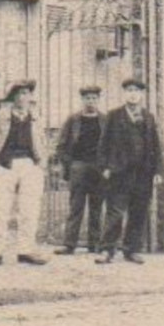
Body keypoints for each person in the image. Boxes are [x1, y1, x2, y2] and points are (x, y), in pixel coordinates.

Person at [95, 78, 164, 265]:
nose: (133, 94)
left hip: (143, 173)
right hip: (119, 172)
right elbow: (103, 143)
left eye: (136, 91)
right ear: (124, 94)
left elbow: (155, 145)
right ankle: (106, 249)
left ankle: (131, 250)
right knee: (115, 212)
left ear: (141, 95)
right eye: (129, 90)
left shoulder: (148, 117)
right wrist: (105, 167)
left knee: (138, 211)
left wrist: (158, 170)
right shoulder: (113, 115)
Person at [0, 80, 49, 267]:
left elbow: (43, 142)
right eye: (19, 94)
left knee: (29, 210)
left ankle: (26, 250)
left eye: (26, 94)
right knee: (0, 210)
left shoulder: (35, 117)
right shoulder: (1, 116)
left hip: (29, 166)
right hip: (4, 167)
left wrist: (41, 164)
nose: (23, 98)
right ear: (12, 97)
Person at [53, 85, 107, 254]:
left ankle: (95, 244)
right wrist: (69, 165)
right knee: (76, 206)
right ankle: (69, 244)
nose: (90, 101)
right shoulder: (73, 120)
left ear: (98, 100)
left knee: (96, 207)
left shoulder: (105, 120)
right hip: (79, 166)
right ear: (82, 99)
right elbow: (61, 145)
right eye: (87, 98)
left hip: (99, 168)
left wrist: (107, 166)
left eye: (94, 98)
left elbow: (112, 144)